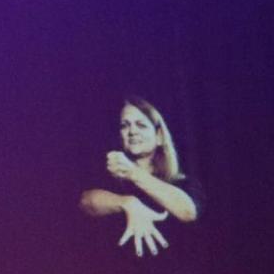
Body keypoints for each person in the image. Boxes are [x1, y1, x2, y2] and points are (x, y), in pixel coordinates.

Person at [79, 97, 197, 258]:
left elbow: (187, 211)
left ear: (159, 137)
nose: (132, 131)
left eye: (141, 125)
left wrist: (133, 173)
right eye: (125, 125)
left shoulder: (181, 181)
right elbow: (86, 202)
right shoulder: (111, 177)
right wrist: (127, 203)